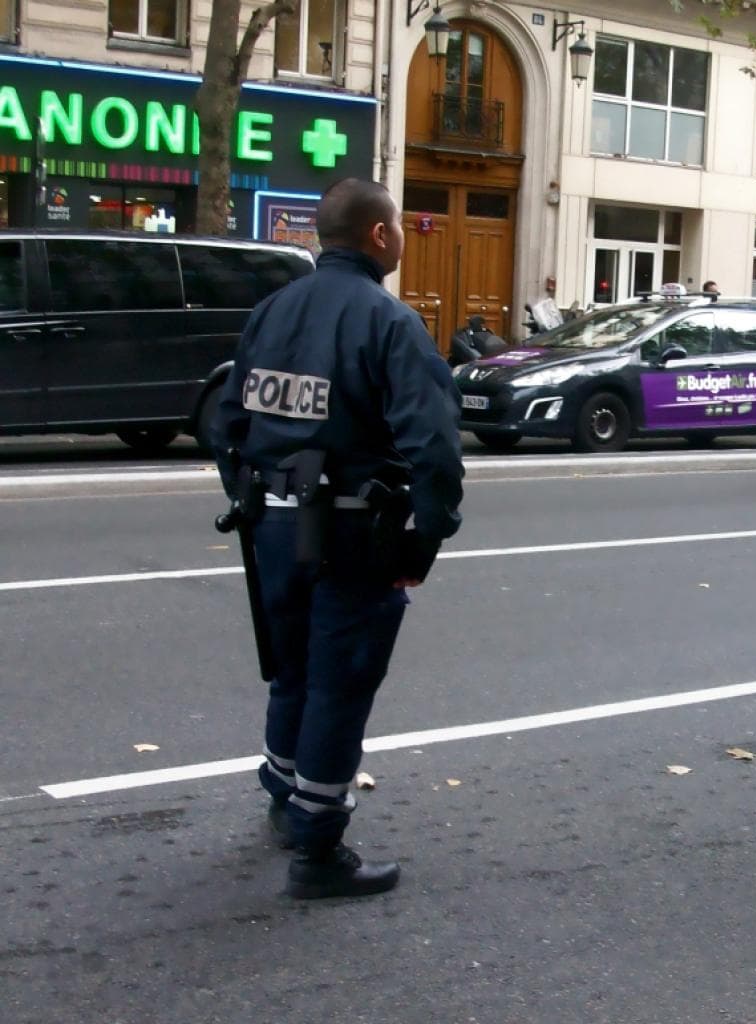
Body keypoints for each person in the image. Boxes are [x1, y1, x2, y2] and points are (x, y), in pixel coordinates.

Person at [212, 178, 464, 899]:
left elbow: (227, 423)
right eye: (400, 227)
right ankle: (318, 850)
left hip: (272, 525)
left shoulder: (271, 311)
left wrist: (247, 497)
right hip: (353, 530)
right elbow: (434, 448)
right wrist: (427, 538)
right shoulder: (388, 322)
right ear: (380, 235)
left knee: (291, 668)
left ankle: (285, 798)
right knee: (339, 683)